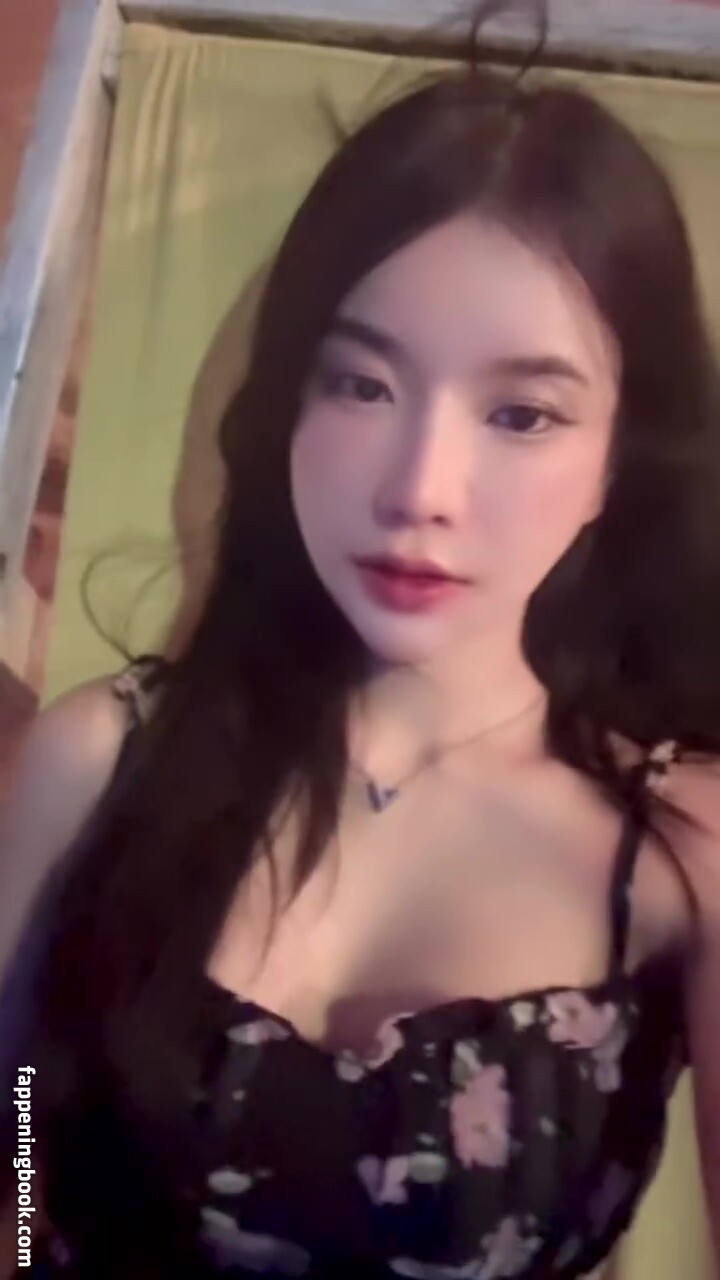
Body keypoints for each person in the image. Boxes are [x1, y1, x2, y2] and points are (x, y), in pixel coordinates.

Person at [1, 3, 720, 1276]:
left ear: (623, 457)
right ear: (288, 404)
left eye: (522, 413)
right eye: (362, 383)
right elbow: (8, 1133)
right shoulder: (99, 759)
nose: (419, 487)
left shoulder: (682, 852)